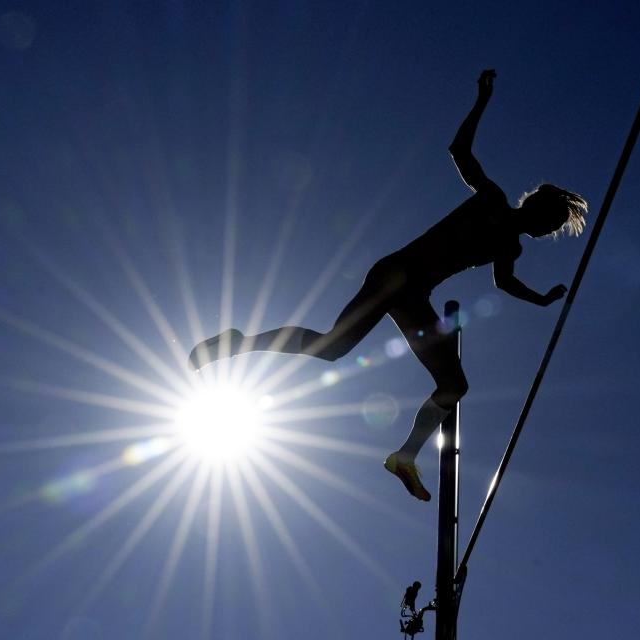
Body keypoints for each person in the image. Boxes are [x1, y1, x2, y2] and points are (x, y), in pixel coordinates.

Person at [189, 70, 587, 501]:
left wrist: (543, 299)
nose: (549, 233)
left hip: (413, 294)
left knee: (453, 385)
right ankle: (239, 343)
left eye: (554, 229)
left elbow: (505, 284)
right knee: (332, 348)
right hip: (394, 275)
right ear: (539, 211)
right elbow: (458, 150)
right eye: (553, 224)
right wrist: (482, 101)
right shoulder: (491, 197)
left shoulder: (512, 249)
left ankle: (404, 457)